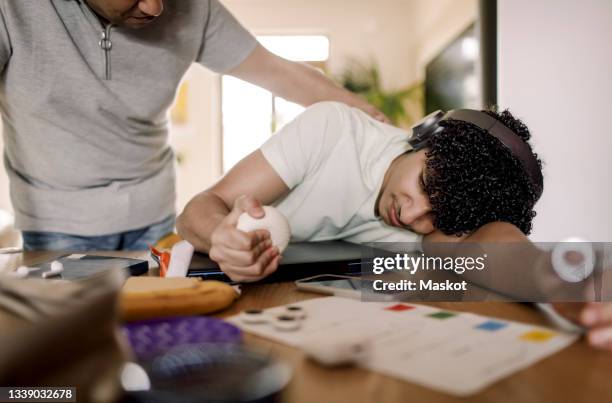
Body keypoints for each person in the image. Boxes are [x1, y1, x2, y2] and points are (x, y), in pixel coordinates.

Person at [177, 101, 612, 351]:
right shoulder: (331, 131)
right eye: (423, 183)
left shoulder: (431, 224)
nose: (412, 216)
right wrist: (220, 233)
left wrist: (563, 285)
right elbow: (200, 206)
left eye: (439, 216)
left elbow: (492, 246)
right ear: (425, 135)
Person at [0, 0, 386, 251]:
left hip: (153, 212)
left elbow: (278, 72)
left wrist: (379, 126)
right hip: (55, 219)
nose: (155, 8)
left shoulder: (193, 9)